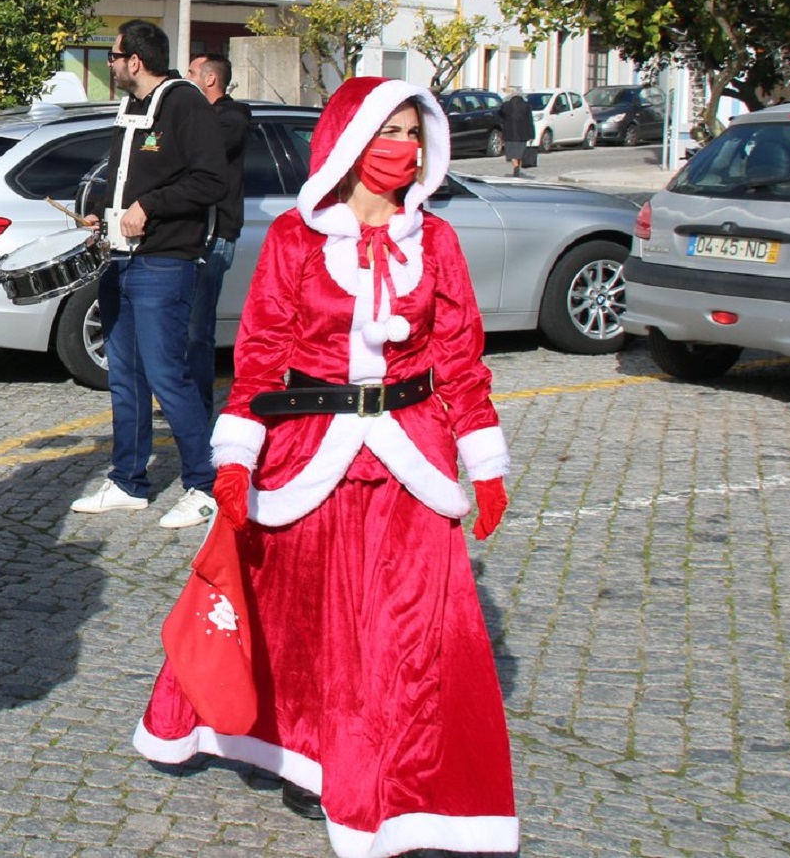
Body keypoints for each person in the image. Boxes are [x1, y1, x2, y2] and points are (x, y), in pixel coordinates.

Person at [135, 75, 516, 856]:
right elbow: (261, 355)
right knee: (302, 623)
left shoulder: (436, 241)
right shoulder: (293, 240)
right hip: (309, 454)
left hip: (411, 458)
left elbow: (460, 358)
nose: (404, 151)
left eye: (414, 134)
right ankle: (305, 754)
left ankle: (387, 777)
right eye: (389, 134)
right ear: (350, 142)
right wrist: (235, 458)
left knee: (408, 630)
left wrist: (485, 458)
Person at [70, 20, 226, 528]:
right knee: (126, 378)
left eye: (113, 57)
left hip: (165, 261)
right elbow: (124, 178)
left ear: (134, 61)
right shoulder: (132, 106)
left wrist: (149, 207)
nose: (110, 65)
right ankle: (128, 481)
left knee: (167, 376)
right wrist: (101, 210)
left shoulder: (184, 103)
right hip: (122, 259)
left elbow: (209, 180)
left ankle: (203, 485)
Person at [184, 53, 249, 422]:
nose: (187, 77)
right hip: (190, 233)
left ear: (210, 80)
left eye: (192, 72)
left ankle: (198, 408)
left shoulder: (231, 117)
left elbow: (202, 147)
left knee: (198, 329)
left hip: (215, 235)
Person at [499, 85, 536, 176]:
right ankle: (517, 167)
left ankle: (516, 167)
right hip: (522, 134)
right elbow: (530, 121)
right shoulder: (526, 106)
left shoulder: (506, 105)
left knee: (511, 153)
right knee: (519, 153)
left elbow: (500, 116)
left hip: (509, 134)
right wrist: (532, 135)